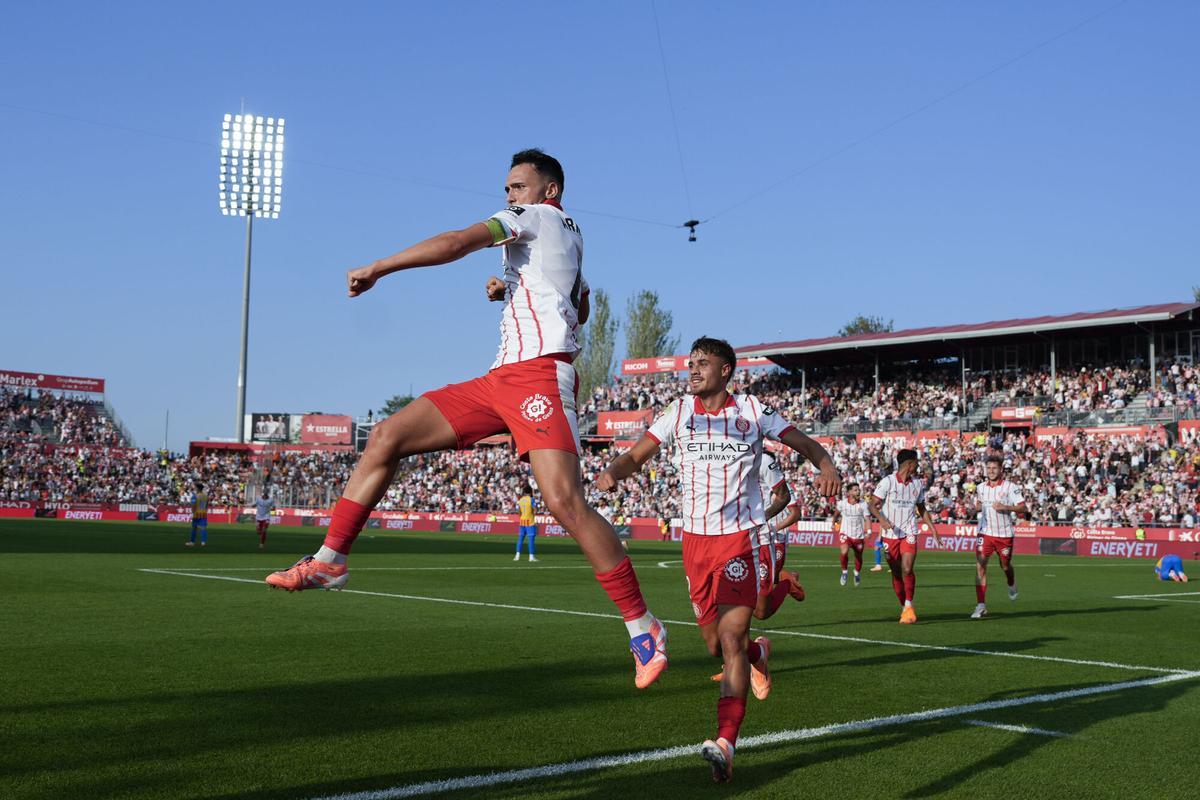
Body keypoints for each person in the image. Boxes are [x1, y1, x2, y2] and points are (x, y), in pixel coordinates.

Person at [264, 149, 668, 689]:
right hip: (498, 380)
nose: (508, 197)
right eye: (505, 189)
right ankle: (330, 560)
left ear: (548, 191)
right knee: (386, 436)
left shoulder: (536, 218)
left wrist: (379, 268)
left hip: (538, 377)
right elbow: (582, 307)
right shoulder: (566, 237)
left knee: (565, 501)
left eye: (518, 186)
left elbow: (458, 243)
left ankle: (644, 628)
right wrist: (513, 288)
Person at [597, 336, 840, 783]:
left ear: (726, 370)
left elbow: (804, 443)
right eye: (691, 363)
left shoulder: (752, 412)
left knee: (729, 641)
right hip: (695, 546)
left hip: (738, 542)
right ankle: (758, 653)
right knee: (715, 646)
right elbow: (636, 454)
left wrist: (826, 467)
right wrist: (613, 471)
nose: (693, 370)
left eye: (703, 363)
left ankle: (726, 742)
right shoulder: (679, 412)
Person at [867, 449, 944, 624]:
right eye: (916, 462)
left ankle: (909, 605)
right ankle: (905, 607)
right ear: (909, 463)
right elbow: (872, 505)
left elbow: (921, 508)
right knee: (895, 571)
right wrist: (882, 520)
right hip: (890, 533)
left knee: (907, 568)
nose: (918, 465)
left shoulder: (917, 484)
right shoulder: (887, 482)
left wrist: (933, 529)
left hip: (909, 531)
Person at [970, 455, 1028, 619]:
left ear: (1001, 469)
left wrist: (1006, 507)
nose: (991, 471)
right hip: (985, 532)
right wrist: (977, 507)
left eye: (994, 468)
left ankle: (1011, 582)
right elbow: (981, 503)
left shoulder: (1011, 487)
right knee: (980, 565)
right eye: (988, 468)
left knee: (1005, 566)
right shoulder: (981, 487)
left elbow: (1024, 509)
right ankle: (981, 605)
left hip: (1004, 534)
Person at [833, 482, 870, 586]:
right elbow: (836, 514)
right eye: (855, 490)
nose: (858, 491)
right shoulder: (842, 504)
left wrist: (869, 531)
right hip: (845, 533)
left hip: (858, 535)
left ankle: (857, 573)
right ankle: (844, 573)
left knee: (858, 556)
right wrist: (833, 524)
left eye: (858, 490)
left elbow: (867, 518)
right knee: (844, 552)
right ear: (849, 492)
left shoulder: (863, 504)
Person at [515, 484, 538, 562]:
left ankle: (517, 556)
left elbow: (518, 512)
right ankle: (531, 557)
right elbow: (535, 510)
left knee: (520, 539)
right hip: (530, 522)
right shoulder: (531, 499)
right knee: (531, 539)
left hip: (522, 521)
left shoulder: (520, 500)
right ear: (530, 492)